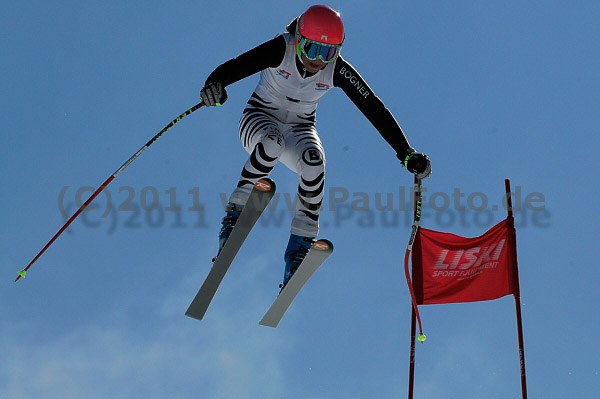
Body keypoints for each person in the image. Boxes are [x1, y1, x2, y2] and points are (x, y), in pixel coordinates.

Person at [200, 5, 431, 288]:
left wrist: (405, 152)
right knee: (271, 144)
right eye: (311, 49)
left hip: (300, 128)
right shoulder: (280, 49)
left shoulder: (337, 70)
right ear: (298, 39)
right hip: (258, 120)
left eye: (327, 53)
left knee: (314, 162)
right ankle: (235, 213)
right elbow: (234, 66)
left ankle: (299, 246)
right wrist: (215, 84)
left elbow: (373, 106)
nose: (317, 61)